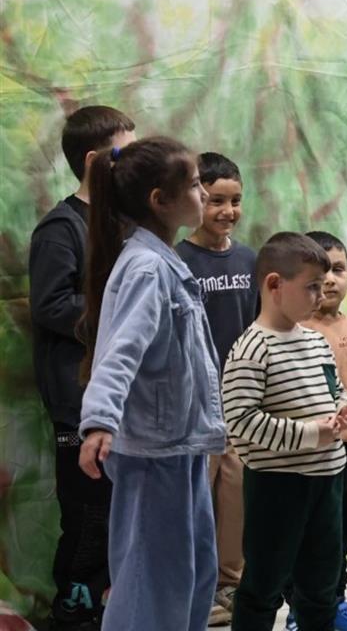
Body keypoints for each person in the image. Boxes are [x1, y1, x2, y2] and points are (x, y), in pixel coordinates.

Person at [77, 136, 225, 631]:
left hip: (180, 446)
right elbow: (121, 349)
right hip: (152, 451)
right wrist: (99, 419)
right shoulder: (145, 267)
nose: (204, 194)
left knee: (194, 571)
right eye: (195, 185)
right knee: (150, 578)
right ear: (160, 201)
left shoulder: (165, 260)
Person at [221, 232, 347, 631]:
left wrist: (343, 410)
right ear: (274, 285)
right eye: (312, 287)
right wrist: (310, 434)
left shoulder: (317, 342)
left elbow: (335, 390)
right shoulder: (251, 348)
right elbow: (241, 421)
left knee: (321, 584)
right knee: (264, 583)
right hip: (277, 486)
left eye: (324, 285)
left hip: (328, 478)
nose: (322, 294)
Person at [30, 105, 134, 631]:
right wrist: (121, 312)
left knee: (122, 514)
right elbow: (50, 305)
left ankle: (114, 609)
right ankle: (73, 613)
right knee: (90, 516)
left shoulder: (128, 223)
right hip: (78, 403)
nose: (134, 163)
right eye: (124, 153)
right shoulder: (60, 228)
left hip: (124, 404)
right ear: (95, 161)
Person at [282, 231, 347, 631]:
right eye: (320, 271)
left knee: (342, 534)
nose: (330, 280)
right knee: (311, 535)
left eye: (338, 269)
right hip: (319, 450)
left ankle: (334, 601)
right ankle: (301, 609)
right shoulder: (296, 330)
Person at [176, 151, 258, 626]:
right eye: (216, 201)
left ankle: (231, 583)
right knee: (197, 495)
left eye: (236, 200)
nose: (228, 211)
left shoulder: (249, 258)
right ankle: (196, 585)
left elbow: (252, 327)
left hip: (239, 402)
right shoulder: (178, 260)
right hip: (194, 404)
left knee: (236, 494)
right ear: (196, 200)